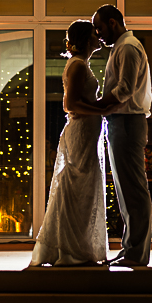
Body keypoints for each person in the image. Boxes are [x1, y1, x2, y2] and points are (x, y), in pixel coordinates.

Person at [29, 20, 109, 267]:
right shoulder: (76, 66)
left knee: (83, 188)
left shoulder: (81, 64)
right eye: (95, 35)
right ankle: (71, 248)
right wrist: (102, 111)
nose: (99, 39)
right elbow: (69, 104)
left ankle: (77, 246)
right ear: (87, 40)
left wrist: (99, 107)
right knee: (77, 188)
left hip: (87, 133)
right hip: (81, 132)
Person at [92, 4, 152, 268]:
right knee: (125, 189)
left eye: (100, 27)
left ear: (113, 23)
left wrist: (98, 106)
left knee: (133, 189)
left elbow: (125, 89)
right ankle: (131, 248)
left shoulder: (127, 47)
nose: (98, 33)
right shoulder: (122, 47)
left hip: (127, 121)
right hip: (122, 121)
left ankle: (136, 253)